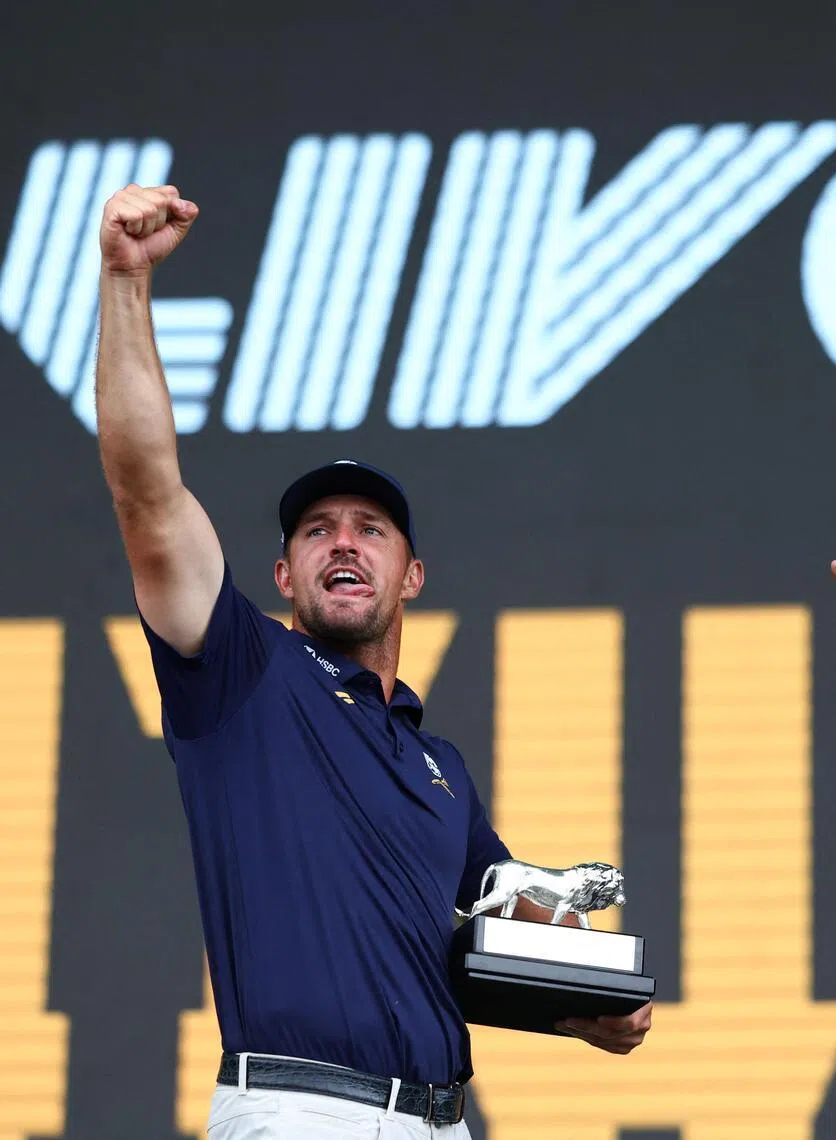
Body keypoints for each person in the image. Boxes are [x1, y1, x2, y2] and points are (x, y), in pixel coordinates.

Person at [95, 183, 653, 1139]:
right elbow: (148, 495)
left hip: (442, 1122)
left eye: (370, 530)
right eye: (317, 530)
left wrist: (591, 998)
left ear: (413, 574)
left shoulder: (439, 772)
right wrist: (125, 284)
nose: (342, 544)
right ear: (282, 571)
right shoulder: (241, 674)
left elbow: (496, 932)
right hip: (303, 1110)